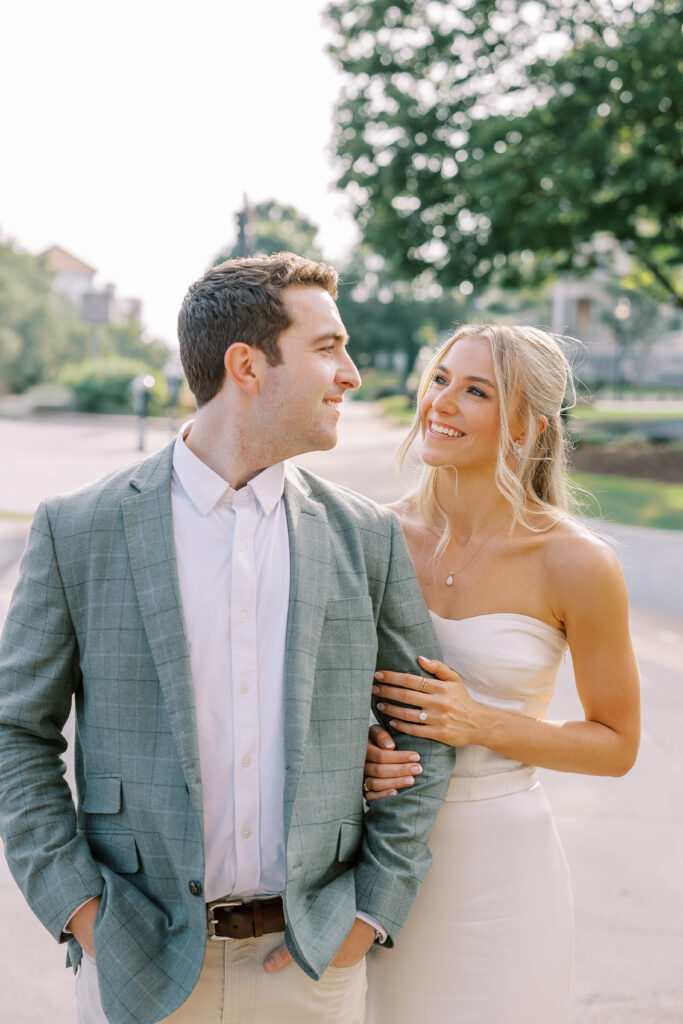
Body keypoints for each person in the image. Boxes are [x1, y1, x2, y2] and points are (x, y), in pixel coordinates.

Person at [0, 253, 455, 1024]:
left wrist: (369, 912)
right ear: (246, 365)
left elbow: (428, 726)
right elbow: (15, 733)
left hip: (313, 965)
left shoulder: (366, 536)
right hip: (138, 960)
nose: (349, 373)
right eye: (326, 348)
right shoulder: (77, 529)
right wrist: (80, 906)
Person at [362, 324, 641, 1024]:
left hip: (502, 875)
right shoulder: (370, 538)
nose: (441, 403)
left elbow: (616, 744)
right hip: (372, 862)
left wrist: (479, 722)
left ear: (526, 425)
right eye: (440, 380)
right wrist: (355, 750)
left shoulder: (576, 563)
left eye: (476, 390)